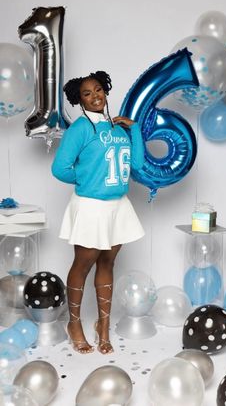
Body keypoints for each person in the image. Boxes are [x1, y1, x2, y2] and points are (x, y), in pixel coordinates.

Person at [51, 70, 145, 354]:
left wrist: (136, 129)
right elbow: (60, 168)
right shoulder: (81, 128)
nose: (94, 97)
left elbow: (137, 164)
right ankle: (74, 323)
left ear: (105, 90)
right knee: (83, 263)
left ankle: (103, 327)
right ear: (79, 101)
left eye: (98, 90)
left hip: (118, 206)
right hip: (91, 207)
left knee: (108, 264)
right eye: (86, 94)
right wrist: (88, 179)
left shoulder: (119, 128)